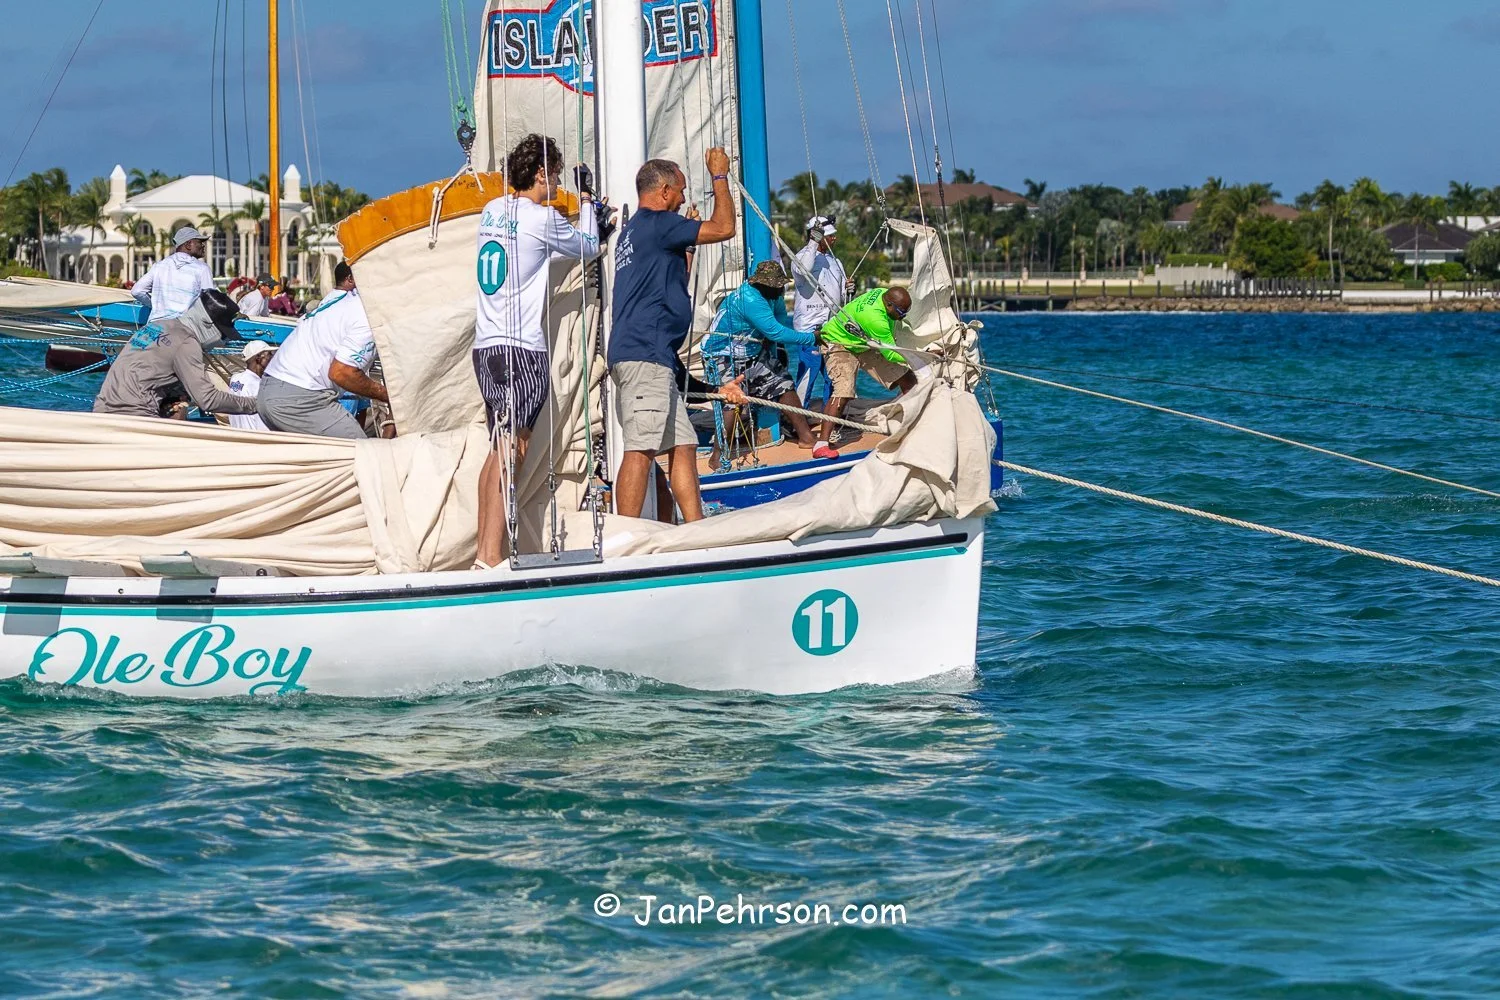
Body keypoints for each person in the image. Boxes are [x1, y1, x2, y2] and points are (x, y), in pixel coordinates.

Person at [471, 133, 602, 569]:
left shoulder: (491, 212)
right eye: (556, 177)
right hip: (521, 349)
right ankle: (491, 557)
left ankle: (483, 554)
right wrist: (587, 204)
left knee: (497, 447)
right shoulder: (540, 219)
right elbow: (588, 246)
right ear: (541, 173)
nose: (556, 185)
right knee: (513, 449)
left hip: (485, 349)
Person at [608, 148, 737, 522]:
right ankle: (627, 534)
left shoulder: (635, 232)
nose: (682, 199)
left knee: (682, 444)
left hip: (655, 354)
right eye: (679, 191)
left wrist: (688, 246)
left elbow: (665, 278)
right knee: (641, 448)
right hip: (644, 354)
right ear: (663, 191)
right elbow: (725, 227)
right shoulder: (658, 222)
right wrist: (719, 177)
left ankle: (693, 528)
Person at [257, 260, 386, 438]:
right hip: (300, 397)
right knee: (362, 456)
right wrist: (387, 395)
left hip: (270, 389)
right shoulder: (367, 314)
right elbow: (341, 372)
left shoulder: (336, 300)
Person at [701, 260, 819, 452]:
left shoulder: (773, 294)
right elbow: (776, 332)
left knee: (782, 383)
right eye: (776, 286)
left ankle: (806, 437)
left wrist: (768, 335)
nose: (780, 290)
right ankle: (719, 455)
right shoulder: (750, 298)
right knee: (731, 400)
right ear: (762, 284)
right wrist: (812, 338)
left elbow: (779, 318)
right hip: (721, 355)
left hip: (751, 353)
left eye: (781, 285)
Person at [94, 289, 261, 420]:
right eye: (224, 335)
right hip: (135, 417)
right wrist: (256, 404)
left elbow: (143, 371)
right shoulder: (187, 342)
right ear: (208, 325)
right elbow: (207, 399)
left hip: (101, 409)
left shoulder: (157, 325)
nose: (223, 342)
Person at [817, 286, 919, 443]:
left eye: (907, 312)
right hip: (838, 342)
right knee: (844, 391)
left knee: (908, 378)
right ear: (889, 305)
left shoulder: (882, 292)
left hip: (861, 341)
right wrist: (921, 356)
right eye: (901, 313)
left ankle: (918, 421)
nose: (903, 317)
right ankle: (822, 443)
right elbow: (891, 354)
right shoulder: (876, 320)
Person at [791, 215, 853, 419]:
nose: (834, 239)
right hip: (809, 328)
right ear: (817, 236)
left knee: (833, 376)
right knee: (808, 374)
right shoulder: (802, 256)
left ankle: (831, 419)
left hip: (832, 327)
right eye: (830, 235)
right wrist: (813, 241)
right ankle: (797, 420)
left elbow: (840, 296)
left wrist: (848, 289)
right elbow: (803, 270)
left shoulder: (836, 262)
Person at [131, 226, 215, 323]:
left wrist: (156, 305)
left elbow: (137, 291)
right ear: (188, 244)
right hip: (183, 327)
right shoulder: (202, 268)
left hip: (156, 326)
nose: (203, 245)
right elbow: (209, 302)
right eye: (199, 242)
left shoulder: (159, 266)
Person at [227, 340, 276, 432]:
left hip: (237, 436)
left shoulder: (234, 379)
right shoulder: (259, 386)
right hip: (255, 439)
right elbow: (263, 425)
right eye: (269, 354)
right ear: (259, 358)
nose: (272, 357)